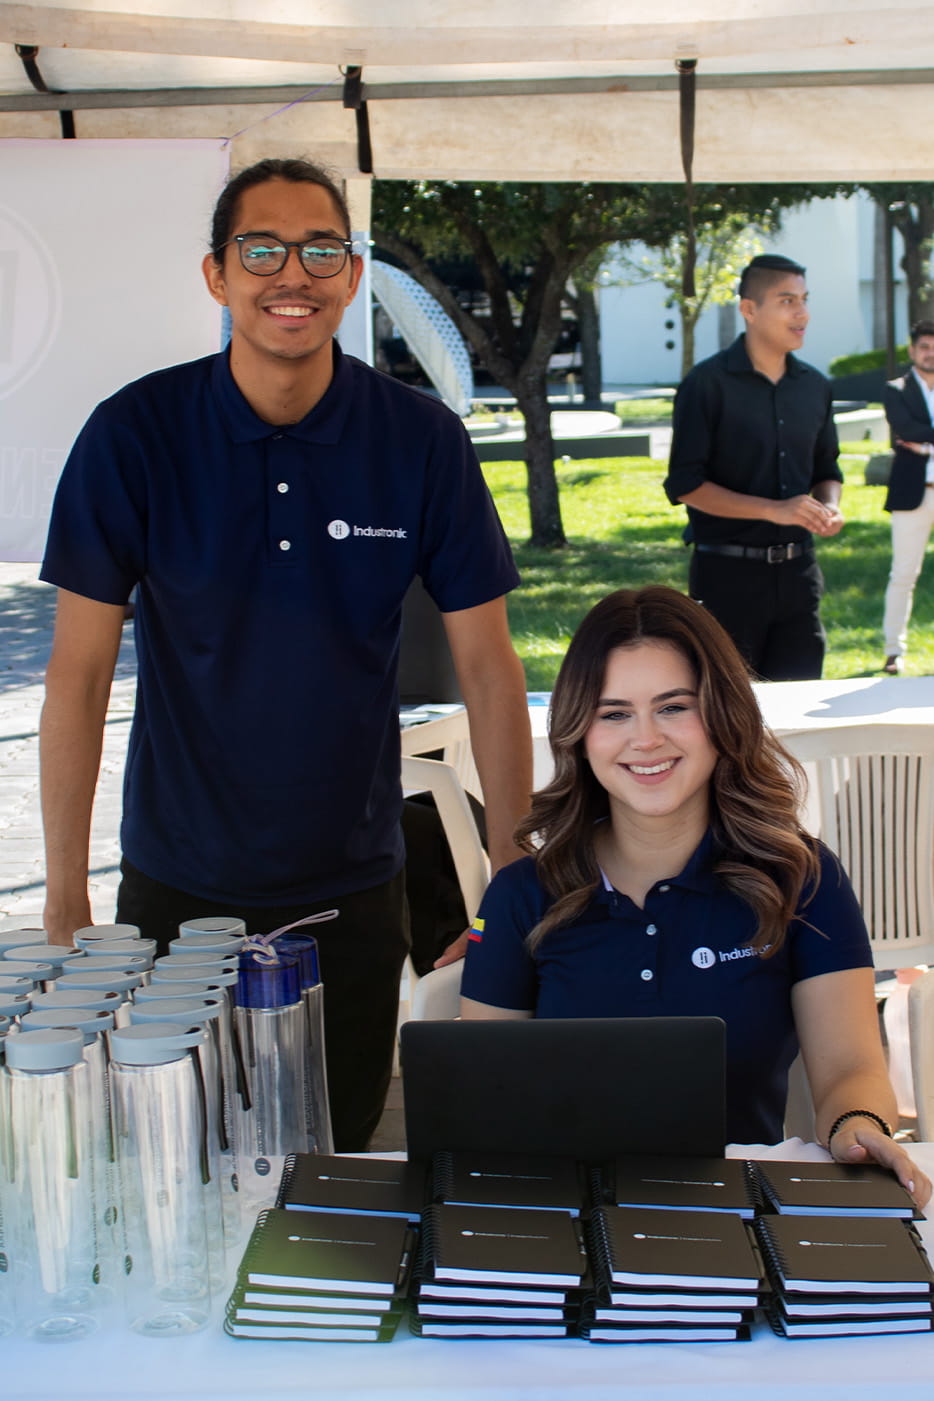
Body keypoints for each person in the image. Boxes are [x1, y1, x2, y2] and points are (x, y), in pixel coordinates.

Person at [39, 156, 532, 1151]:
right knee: (185, 1158)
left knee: (336, 1155)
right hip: (178, 882)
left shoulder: (418, 442)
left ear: (352, 275)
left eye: (320, 249)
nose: (290, 275)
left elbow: (488, 664)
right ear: (216, 273)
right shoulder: (135, 436)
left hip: (349, 884)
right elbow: (77, 674)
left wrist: (515, 858)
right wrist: (63, 889)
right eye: (260, 249)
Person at [460, 586, 930, 1206]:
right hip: (561, 1218)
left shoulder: (801, 876)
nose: (646, 739)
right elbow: (480, 1102)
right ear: (579, 731)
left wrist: (857, 1128)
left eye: (673, 707)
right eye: (614, 712)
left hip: (740, 1214)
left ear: (723, 715)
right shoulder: (522, 893)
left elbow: (849, 1068)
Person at [665, 253, 844, 682]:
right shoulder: (705, 385)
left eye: (804, 299)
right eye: (786, 300)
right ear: (749, 309)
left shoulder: (816, 387)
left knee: (798, 712)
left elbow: (827, 468)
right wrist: (774, 509)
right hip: (727, 579)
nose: (802, 313)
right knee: (730, 716)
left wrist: (829, 506)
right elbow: (686, 483)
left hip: (800, 577)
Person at [881, 319, 934, 674]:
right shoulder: (896, 389)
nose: (931, 354)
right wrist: (917, 437)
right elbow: (905, 428)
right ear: (913, 350)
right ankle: (893, 651)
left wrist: (925, 443)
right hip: (914, 494)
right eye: (925, 347)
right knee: (903, 573)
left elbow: (918, 435)